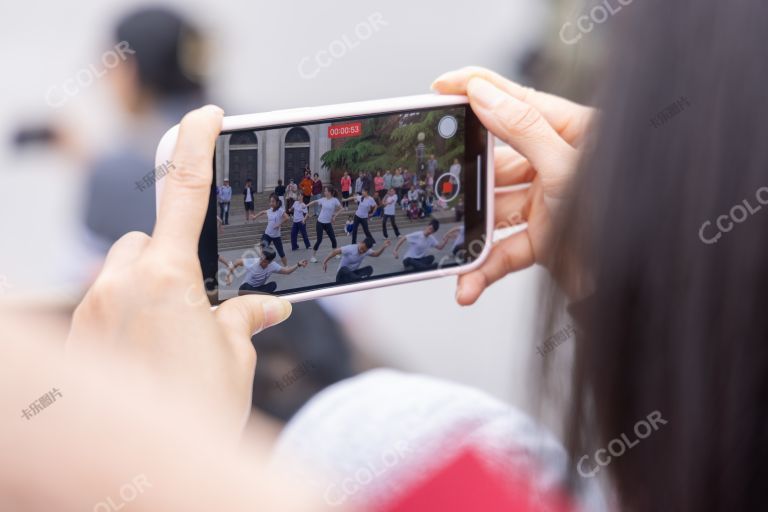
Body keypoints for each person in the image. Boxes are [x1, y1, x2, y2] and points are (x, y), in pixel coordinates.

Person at [229, 248, 307, 295]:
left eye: (263, 260)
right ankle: (259, 296)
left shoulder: (273, 265)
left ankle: (258, 296)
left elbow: (287, 271)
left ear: (269, 261)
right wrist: (229, 275)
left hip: (259, 290)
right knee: (245, 286)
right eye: (260, 258)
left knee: (273, 285)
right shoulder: (254, 262)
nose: (260, 261)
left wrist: (298, 264)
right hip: (246, 289)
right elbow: (237, 262)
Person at [322, 238, 391, 283]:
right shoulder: (350, 248)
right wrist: (325, 261)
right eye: (361, 248)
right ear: (361, 243)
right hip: (341, 276)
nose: (362, 251)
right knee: (344, 269)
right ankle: (359, 280)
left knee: (369, 269)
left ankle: (357, 280)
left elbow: (376, 254)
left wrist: (383, 247)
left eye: (364, 251)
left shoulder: (367, 251)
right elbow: (335, 251)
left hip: (353, 274)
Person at [251, 194, 290, 266]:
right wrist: (255, 217)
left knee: (281, 253)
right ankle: (262, 265)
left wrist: (279, 224)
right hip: (267, 234)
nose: (271, 203)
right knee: (262, 249)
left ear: (277, 202)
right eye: (270, 201)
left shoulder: (280, 210)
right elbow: (262, 212)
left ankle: (286, 267)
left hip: (276, 236)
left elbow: (287, 218)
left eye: (273, 201)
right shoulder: (269, 210)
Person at [309, 186, 342, 263]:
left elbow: (341, 208)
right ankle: (312, 257)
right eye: (324, 191)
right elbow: (314, 202)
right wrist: (306, 205)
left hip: (328, 223)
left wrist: (335, 216)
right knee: (319, 240)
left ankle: (335, 253)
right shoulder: (323, 199)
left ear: (329, 192)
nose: (324, 192)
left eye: (326, 191)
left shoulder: (335, 200)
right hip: (320, 222)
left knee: (333, 239)